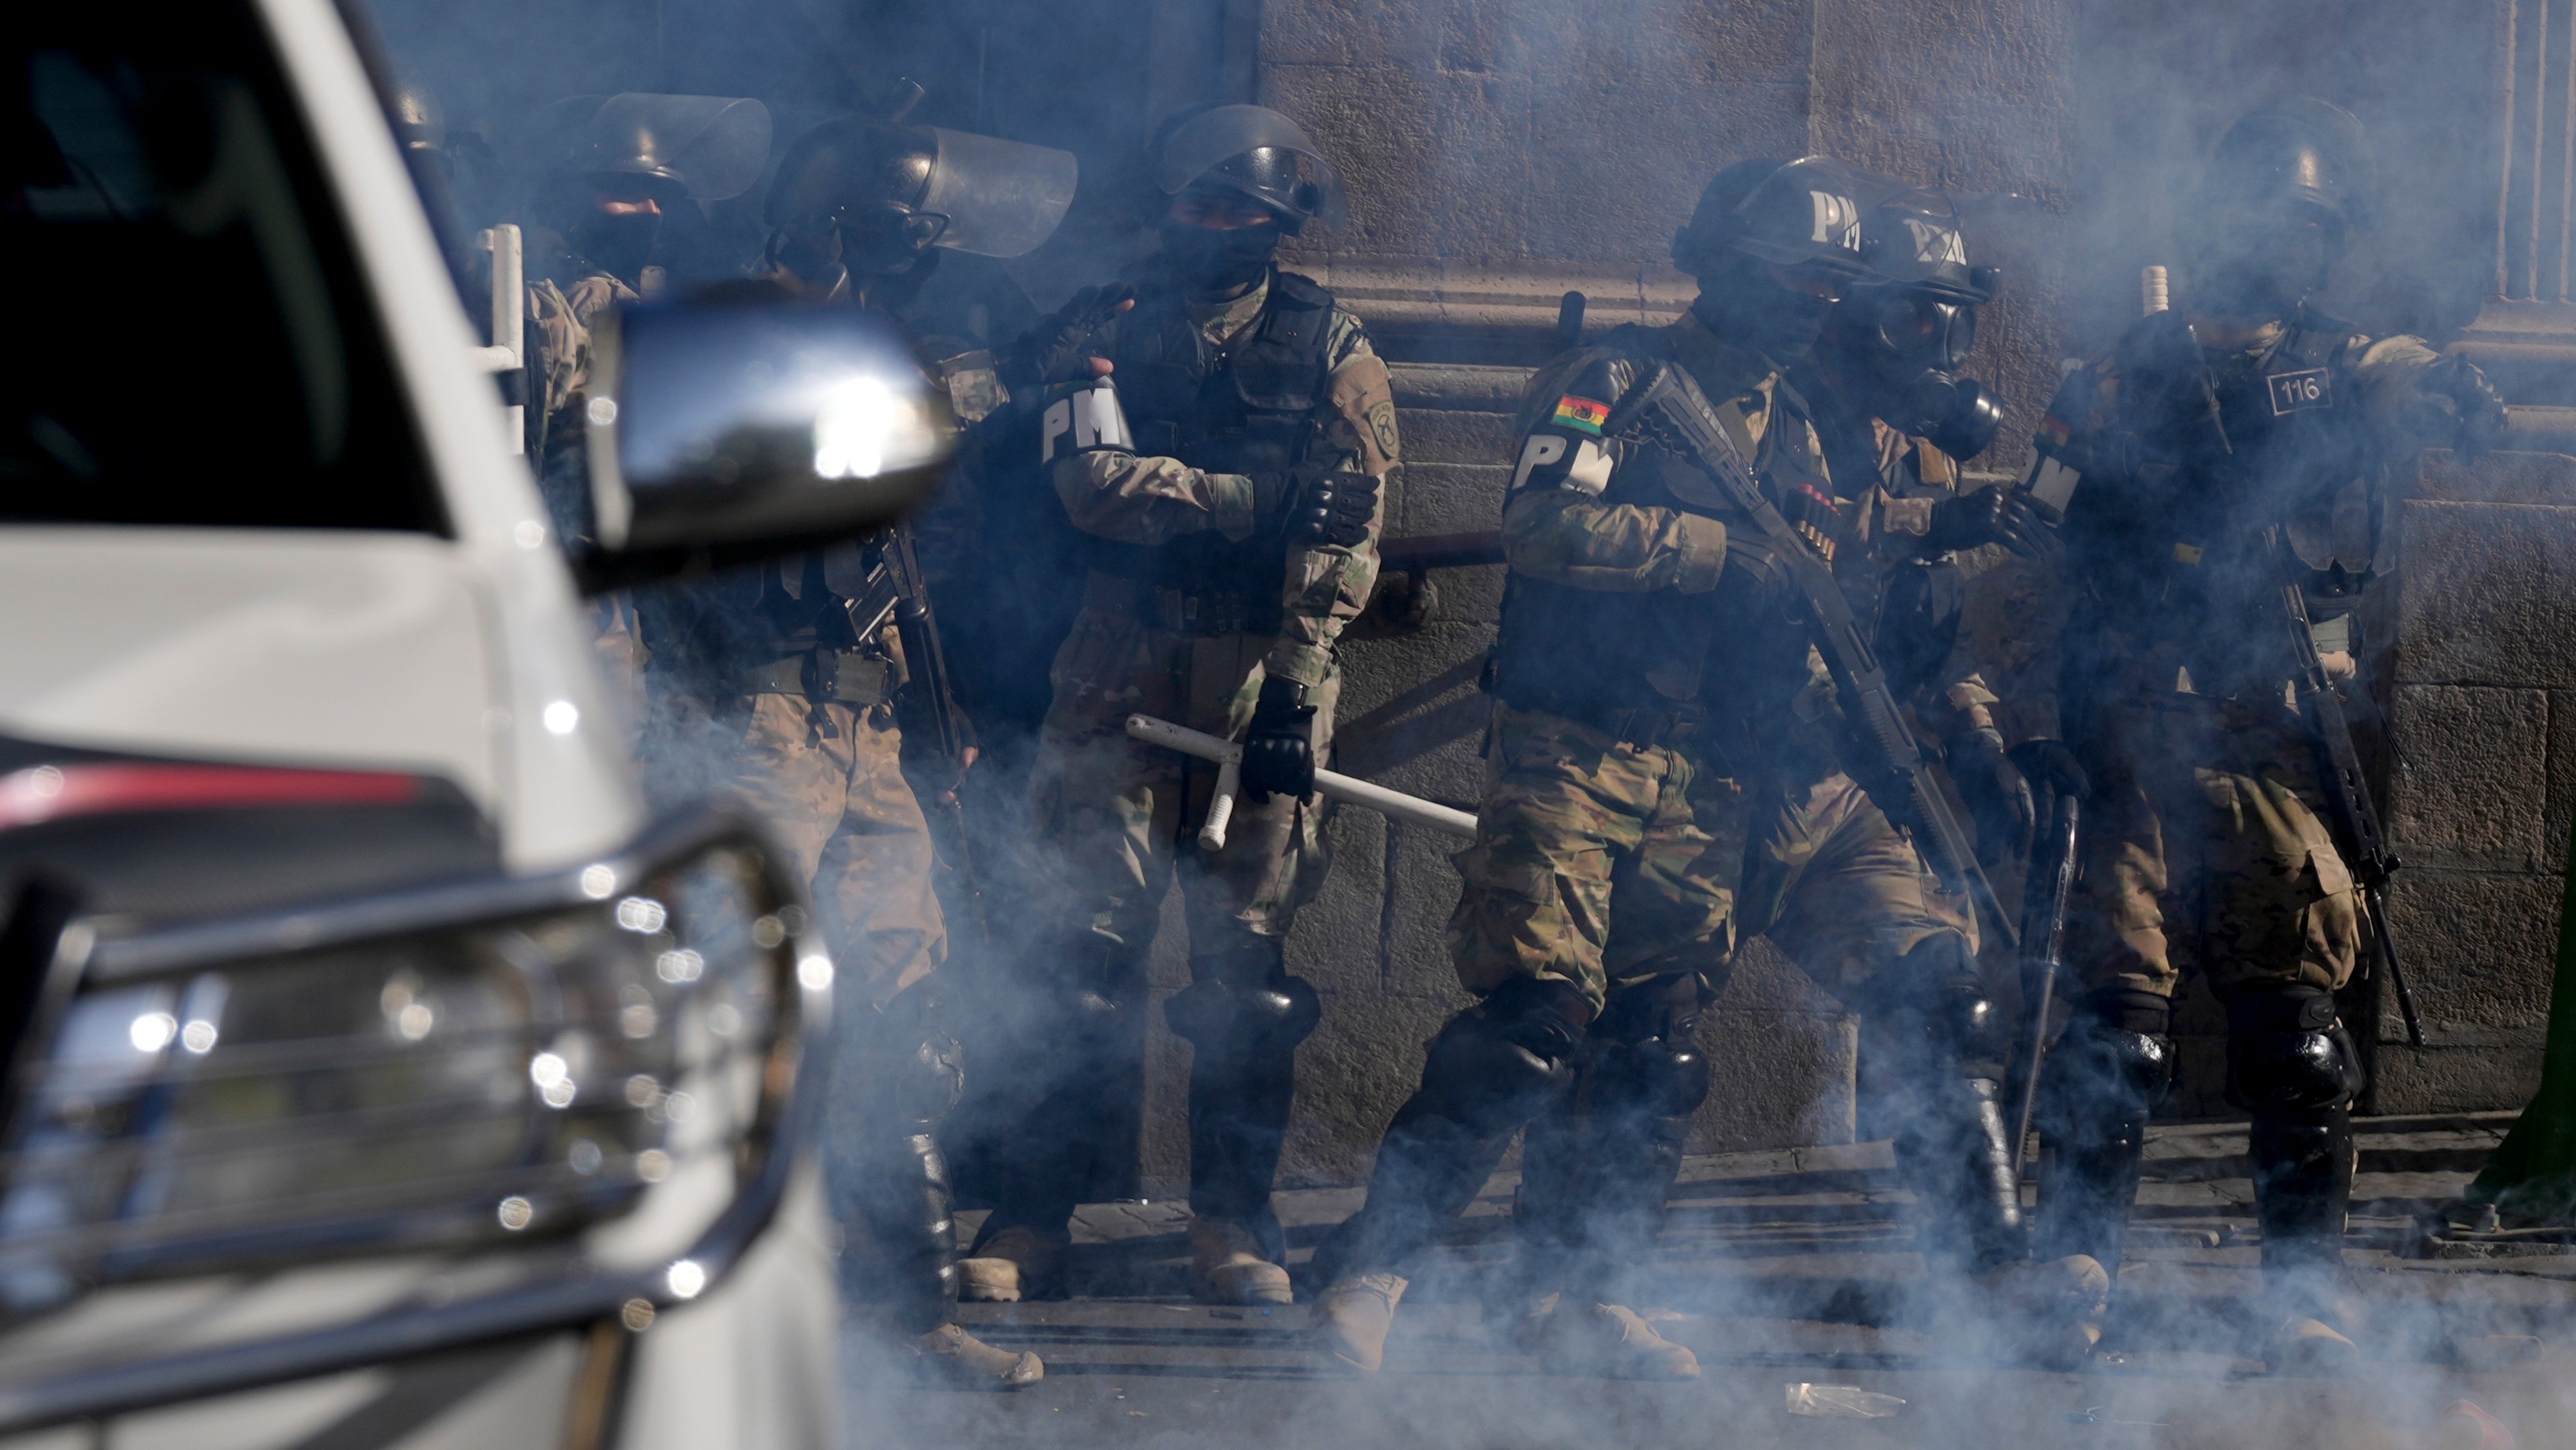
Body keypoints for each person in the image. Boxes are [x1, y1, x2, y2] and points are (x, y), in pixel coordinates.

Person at [1306, 156, 1897, 1380]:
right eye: (1797, 278)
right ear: (1729, 266)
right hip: (1577, 745)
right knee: (1534, 1020)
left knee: (1657, 1043)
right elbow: (1543, 523)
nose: (1815, 306)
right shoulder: (1621, 382)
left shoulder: (1805, 421)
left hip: (1714, 765)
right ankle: (1374, 1270)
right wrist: (1707, 551)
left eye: (1833, 288)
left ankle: (1578, 1290)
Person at [2021, 97, 2505, 1372]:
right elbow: (2036, 533)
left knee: (2298, 1032)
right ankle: (2075, 1267)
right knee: (2115, 1030)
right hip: (2133, 736)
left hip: (2267, 742)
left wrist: (2453, 389)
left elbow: (2399, 374)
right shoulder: (2123, 375)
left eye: (2310, 229)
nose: (2289, 249)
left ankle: (2300, 1293)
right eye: (2271, 223)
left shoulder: (2339, 365)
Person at [629, 113, 1077, 1391]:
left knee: (900, 1012)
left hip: (862, 724)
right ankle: (700, 1326)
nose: (905, 273)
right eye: (888, 246)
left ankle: (910, 1323)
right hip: (753, 729)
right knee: (728, 1028)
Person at [954, 104, 1395, 1308]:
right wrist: (1255, 498)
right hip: (1117, 665)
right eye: (1198, 206)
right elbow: (1097, 493)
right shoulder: (1106, 326)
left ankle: (1235, 1223)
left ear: (1280, 225)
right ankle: (1031, 1214)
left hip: (1264, 673)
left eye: (1242, 212)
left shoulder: (1333, 345)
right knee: (1075, 964)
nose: (1217, 229)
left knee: (1245, 981)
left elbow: (1354, 523)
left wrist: (1300, 685)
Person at [1768, 183, 2107, 1362]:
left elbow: (1924, 629)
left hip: (1828, 790)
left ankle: (1987, 1278)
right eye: (1916, 319)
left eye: (1949, 323)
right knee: (1579, 1027)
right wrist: (1935, 515)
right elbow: (1795, 548)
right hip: (1701, 774)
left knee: (1943, 998)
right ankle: (1402, 1265)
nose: (1936, 350)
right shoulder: (1777, 410)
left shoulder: (1897, 445)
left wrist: (1978, 730)